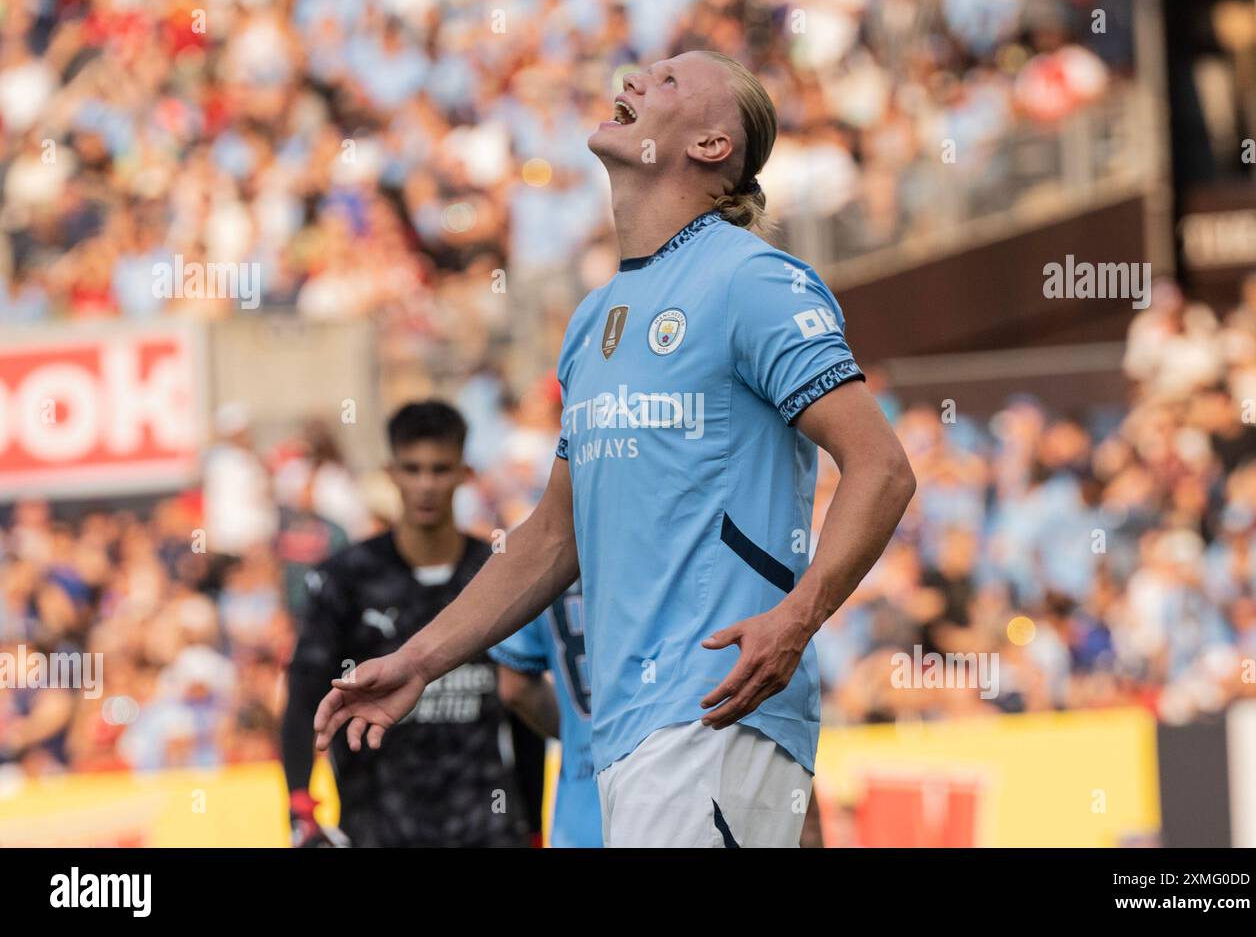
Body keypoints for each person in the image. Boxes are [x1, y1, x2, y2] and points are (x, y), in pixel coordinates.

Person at [315, 51, 915, 847]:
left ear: (711, 146)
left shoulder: (755, 282)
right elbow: (552, 536)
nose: (634, 81)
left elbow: (882, 467)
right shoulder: (594, 319)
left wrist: (797, 618)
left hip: (716, 711)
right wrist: (421, 660)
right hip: (624, 737)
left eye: (668, 81)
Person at [281, 401, 531, 847]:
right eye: (412, 469)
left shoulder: (496, 575)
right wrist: (299, 804)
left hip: (485, 830)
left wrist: (531, 824)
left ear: (464, 473)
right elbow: (304, 695)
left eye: (440, 469)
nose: (426, 485)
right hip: (378, 828)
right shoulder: (346, 578)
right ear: (390, 472)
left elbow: (523, 700)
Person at [492, 580, 602, 848]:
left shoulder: (546, 548)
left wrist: (576, 735)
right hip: (679, 798)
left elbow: (515, 688)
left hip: (583, 811)